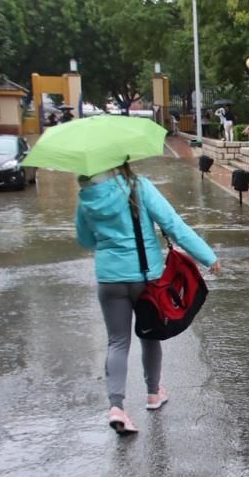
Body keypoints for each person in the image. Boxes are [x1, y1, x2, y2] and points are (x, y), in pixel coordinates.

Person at [75, 161, 221, 435]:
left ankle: (117, 407)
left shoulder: (86, 196)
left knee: (117, 342)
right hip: (145, 277)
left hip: (109, 279)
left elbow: (85, 240)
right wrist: (207, 256)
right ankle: (153, 393)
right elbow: (172, 224)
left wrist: (108, 239)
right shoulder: (137, 187)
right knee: (149, 334)